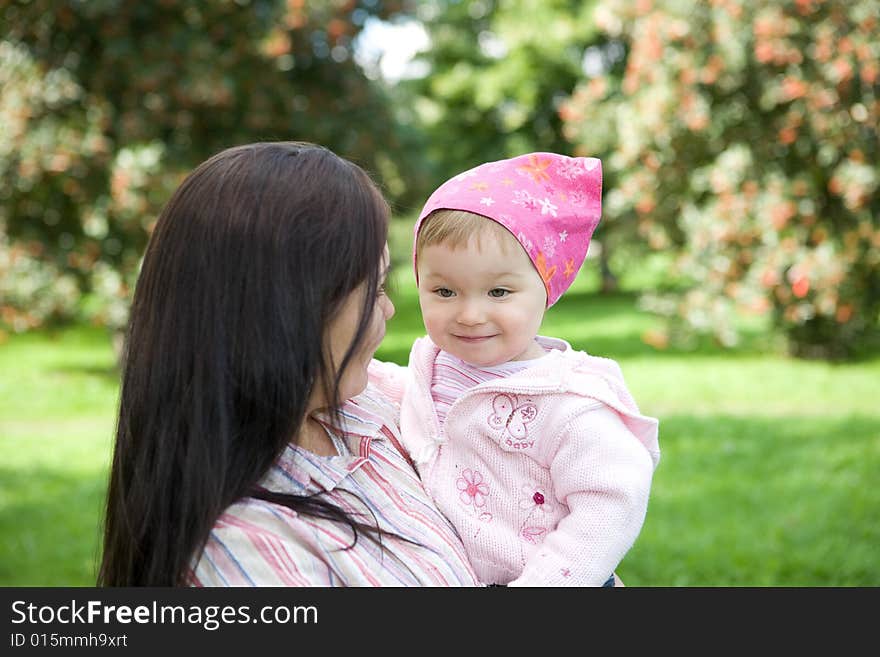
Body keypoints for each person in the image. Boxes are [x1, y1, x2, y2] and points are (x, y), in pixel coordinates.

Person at [98, 141, 480, 586]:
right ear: (290, 310)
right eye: (374, 290)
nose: (390, 310)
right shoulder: (241, 552)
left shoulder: (371, 409)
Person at [370, 152, 661, 586]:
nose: (470, 314)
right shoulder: (430, 367)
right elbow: (390, 387)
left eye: (499, 291)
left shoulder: (566, 401)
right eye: (444, 291)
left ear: (546, 289)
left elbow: (612, 499)